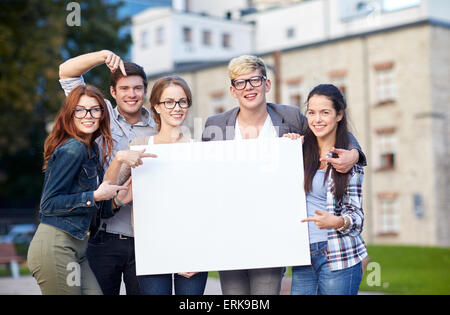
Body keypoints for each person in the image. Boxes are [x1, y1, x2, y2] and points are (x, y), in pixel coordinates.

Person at [201, 55, 367, 295]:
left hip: (273, 237)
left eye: (255, 80)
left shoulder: (288, 118)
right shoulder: (215, 125)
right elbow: (203, 178)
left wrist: (354, 153)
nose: (249, 87)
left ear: (267, 85)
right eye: (241, 82)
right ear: (232, 90)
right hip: (232, 236)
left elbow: (326, 127)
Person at [58, 50, 157, 295]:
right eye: (124, 88)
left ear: (145, 91)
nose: (131, 94)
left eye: (137, 88)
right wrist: (102, 56)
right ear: (113, 92)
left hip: (145, 240)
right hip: (103, 236)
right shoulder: (99, 116)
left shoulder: (159, 126)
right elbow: (66, 72)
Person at [108, 75, 209, 295]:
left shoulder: (199, 149)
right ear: (156, 106)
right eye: (169, 102)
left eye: (183, 102)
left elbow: (207, 206)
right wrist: (119, 160)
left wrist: (200, 253)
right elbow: (108, 188)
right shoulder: (140, 146)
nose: (177, 108)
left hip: (192, 249)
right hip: (152, 249)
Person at [27, 85, 131, 295]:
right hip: (56, 246)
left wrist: (117, 201)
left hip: (77, 249)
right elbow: (48, 205)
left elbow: (93, 210)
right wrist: (93, 196)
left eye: (95, 109)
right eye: (80, 110)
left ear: (102, 113)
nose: (89, 115)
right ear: (70, 114)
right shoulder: (73, 149)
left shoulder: (90, 149)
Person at [287, 84, 368, 295]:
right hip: (303, 255)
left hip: (338, 255)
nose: (317, 119)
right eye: (312, 112)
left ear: (339, 114)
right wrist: (285, 147)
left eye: (325, 112)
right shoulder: (298, 153)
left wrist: (337, 221)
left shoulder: (348, 161)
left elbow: (357, 217)